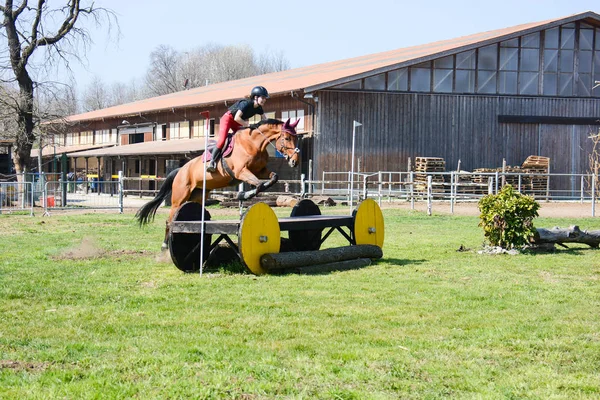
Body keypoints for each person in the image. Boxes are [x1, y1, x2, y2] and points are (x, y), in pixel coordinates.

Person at [206, 86, 269, 172]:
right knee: (221, 141)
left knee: (244, 139)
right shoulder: (246, 103)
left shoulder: (259, 108)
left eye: (265, 98)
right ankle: (212, 162)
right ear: (256, 97)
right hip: (228, 119)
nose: (264, 100)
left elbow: (265, 120)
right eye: (263, 97)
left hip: (237, 122)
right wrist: (248, 124)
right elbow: (237, 118)